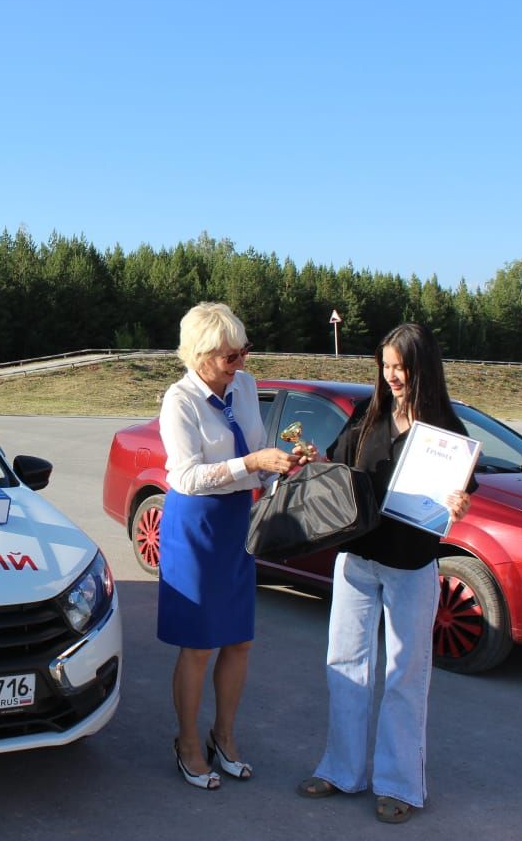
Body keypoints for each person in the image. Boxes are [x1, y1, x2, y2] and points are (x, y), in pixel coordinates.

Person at [296, 323, 473, 823]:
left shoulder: (448, 432)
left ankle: (399, 785)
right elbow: (336, 464)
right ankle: (341, 770)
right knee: (345, 664)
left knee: (405, 675)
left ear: (423, 368)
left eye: (401, 367)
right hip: (356, 559)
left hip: (411, 565)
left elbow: (459, 496)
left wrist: (458, 504)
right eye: (387, 366)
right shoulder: (367, 413)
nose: (392, 376)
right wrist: (312, 461)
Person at [157, 302, 305, 790]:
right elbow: (186, 476)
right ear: (199, 356)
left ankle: (223, 735)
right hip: (197, 525)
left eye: (244, 351)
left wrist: (280, 466)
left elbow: (254, 455)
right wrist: (252, 464)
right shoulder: (179, 400)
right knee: (199, 645)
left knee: (239, 639)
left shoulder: (244, 384)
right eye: (229, 356)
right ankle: (187, 743)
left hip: (238, 519)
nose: (240, 362)